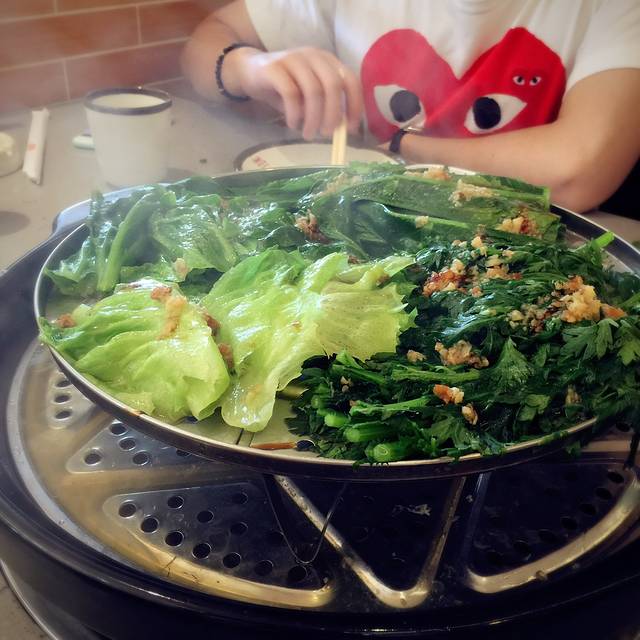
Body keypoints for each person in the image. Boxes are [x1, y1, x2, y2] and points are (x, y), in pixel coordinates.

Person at [182, 0, 640, 213]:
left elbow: (579, 173)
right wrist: (248, 67)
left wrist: (402, 148)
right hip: (363, 221)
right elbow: (208, 41)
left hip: (513, 235)